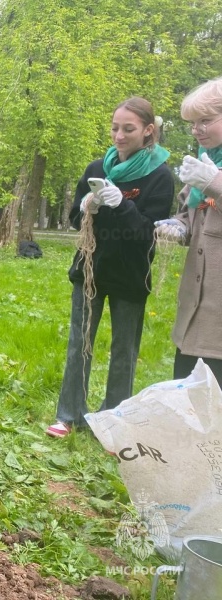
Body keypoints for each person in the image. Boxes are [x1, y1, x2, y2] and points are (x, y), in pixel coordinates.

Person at [47, 97, 174, 438]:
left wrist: (121, 205)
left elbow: (150, 232)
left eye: (128, 129)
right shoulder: (96, 169)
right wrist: (88, 206)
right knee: (80, 342)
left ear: (148, 131)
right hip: (90, 269)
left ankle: (114, 419)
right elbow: (75, 218)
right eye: (115, 128)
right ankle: (69, 414)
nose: (119, 136)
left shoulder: (159, 177)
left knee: (124, 349)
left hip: (131, 274)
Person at [154, 77, 222, 384]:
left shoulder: (207, 172)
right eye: (193, 123)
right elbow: (189, 214)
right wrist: (177, 227)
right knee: (189, 393)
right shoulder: (204, 163)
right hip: (197, 307)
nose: (197, 129)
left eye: (206, 120)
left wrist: (214, 182)